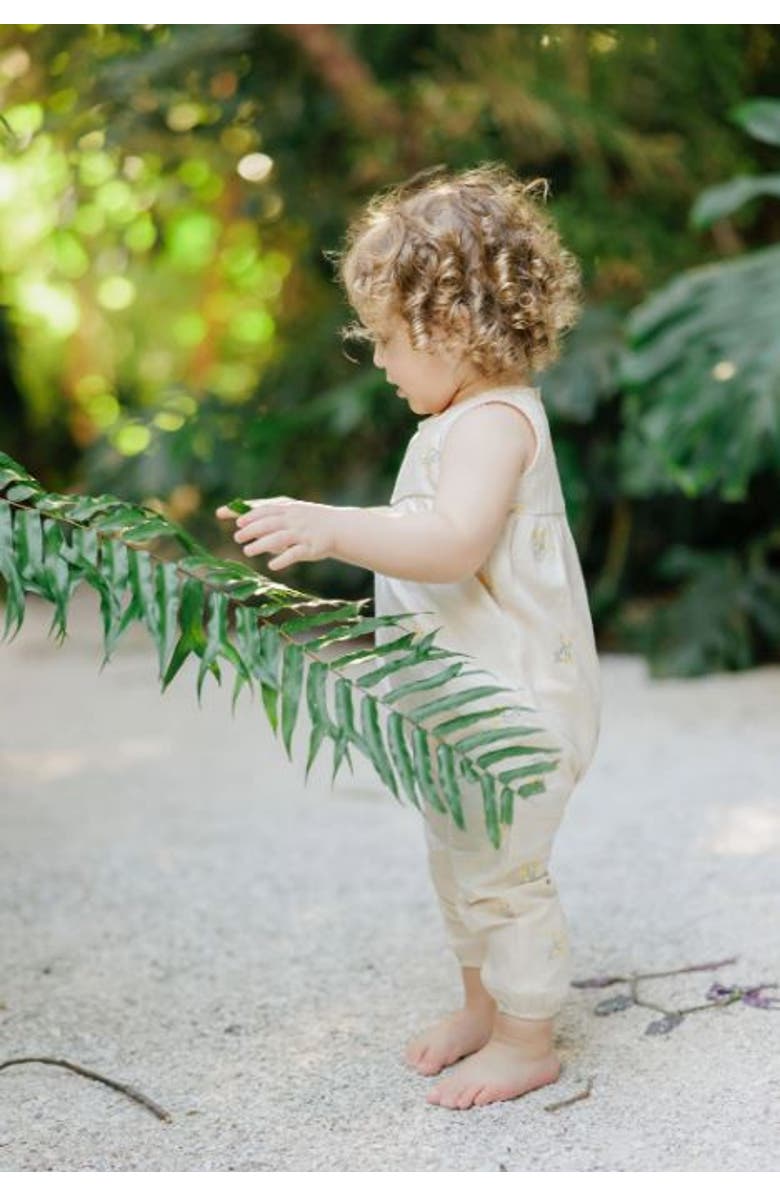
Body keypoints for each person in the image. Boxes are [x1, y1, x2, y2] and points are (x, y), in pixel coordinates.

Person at [216, 162, 601, 1110]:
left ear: (454, 327)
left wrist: (333, 526)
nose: (379, 361)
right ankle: (483, 1004)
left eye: (387, 340)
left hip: (511, 710)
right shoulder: (464, 416)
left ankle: (526, 1038)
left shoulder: (492, 426)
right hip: (461, 707)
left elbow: (451, 541)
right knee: (458, 854)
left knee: (502, 872)